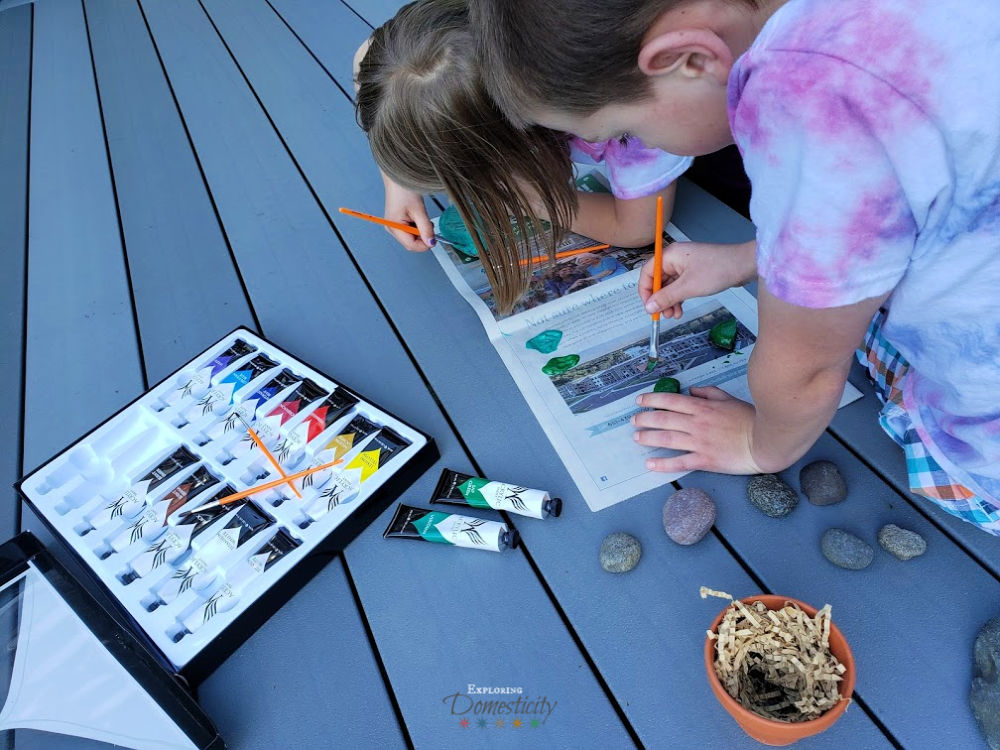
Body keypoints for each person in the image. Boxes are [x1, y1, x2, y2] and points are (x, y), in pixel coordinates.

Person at [472, 0, 1000, 532]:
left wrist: (760, 445)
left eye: (623, 132)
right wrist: (753, 258)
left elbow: (809, 367)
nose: (627, 148)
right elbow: (926, 196)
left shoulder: (803, 94)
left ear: (692, 59)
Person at [352, 0, 690, 314]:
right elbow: (368, 55)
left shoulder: (626, 119)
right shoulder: (471, 33)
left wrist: (526, 197)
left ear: (519, 146)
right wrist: (397, 183)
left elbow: (637, 229)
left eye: (472, 180)